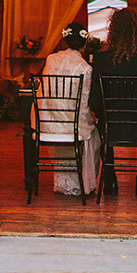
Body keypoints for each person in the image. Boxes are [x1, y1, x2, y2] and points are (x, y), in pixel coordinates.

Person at [89, 7, 137, 196]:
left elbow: (94, 101)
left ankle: (110, 179)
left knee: (102, 128)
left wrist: (105, 114)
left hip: (111, 126)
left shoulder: (101, 60)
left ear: (113, 31)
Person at [40, 22, 100, 196]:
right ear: (85, 43)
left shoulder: (50, 60)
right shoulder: (85, 68)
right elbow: (83, 105)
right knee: (93, 135)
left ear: (65, 41)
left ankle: (63, 182)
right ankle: (83, 184)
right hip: (72, 126)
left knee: (80, 129)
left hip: (49, 124)